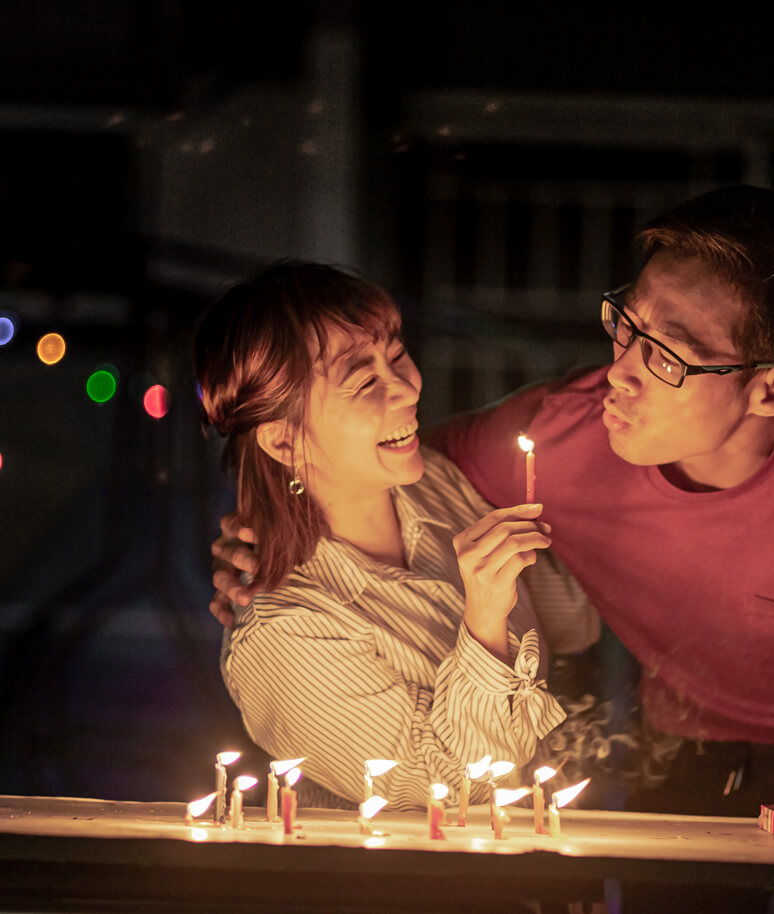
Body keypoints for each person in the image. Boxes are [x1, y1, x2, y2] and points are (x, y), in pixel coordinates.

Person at [210, 187, 774, 854]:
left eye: (668, 356)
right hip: (669, 745)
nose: (617, 370)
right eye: (626, 323)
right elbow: (348, 472)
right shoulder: (557, 435)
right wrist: (260, 533)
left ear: (772, 391)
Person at [194, 262, 598, 810]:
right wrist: (483, 623)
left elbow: (572, 621)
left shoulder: (431, 482)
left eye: (398, 354)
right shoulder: (284, 632)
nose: (408, 388)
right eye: (363, 380)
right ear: (285, 441)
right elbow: (457, 791)